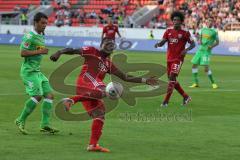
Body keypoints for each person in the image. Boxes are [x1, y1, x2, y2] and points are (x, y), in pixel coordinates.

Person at [50, 38, 158, 152]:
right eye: (107, 43)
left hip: (92, 90)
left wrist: (144, 80)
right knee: (108, 90)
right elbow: (72, 50)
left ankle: (92, 145)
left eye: (112, 45)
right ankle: (71, 100)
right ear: (101, 44)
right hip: (86, 81)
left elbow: (125, 77)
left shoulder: (108, 64)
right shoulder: (92, 51)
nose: (110, 46)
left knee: (100, 113)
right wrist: (59, 52)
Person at [15, 12, 59, 135]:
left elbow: (36, 49)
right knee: (38, 95)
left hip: (37, 72)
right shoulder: (29, 36)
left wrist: (41, 50)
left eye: (46, 23)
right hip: (29, 72)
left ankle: (45, 125)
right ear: (35, 22)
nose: (45, 25)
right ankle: (20, 120)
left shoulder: (41, 35)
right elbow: (23, 53)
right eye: (42, 23)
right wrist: (40, 51)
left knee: (49, 95)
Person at [155, 11, 195, 107]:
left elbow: (193, 44)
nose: (175, 21)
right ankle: (186, 97)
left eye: (177, 20)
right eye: (174, 20)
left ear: (181, 21)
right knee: (172, 80)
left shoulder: (185, 33)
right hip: (169, 59)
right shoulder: (168, 31)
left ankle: (165, 101)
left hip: (178, 59)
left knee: (172, 77)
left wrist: (187, 49)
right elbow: (163, 41)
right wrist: (158, 44)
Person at [189, 18, 219, 89]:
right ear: (206, 22)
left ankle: (213, 83)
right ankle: (196, 83)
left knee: (206, 68)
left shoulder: (214, 32)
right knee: (194, 65)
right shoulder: (202, 30)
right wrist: (199, 40)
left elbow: (217, 42)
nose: (209, 22)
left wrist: (211, 46)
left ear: (212, 23)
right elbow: (199, 38)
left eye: (211, 21)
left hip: (206, 51)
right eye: (208, 21)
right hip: (200, 50)